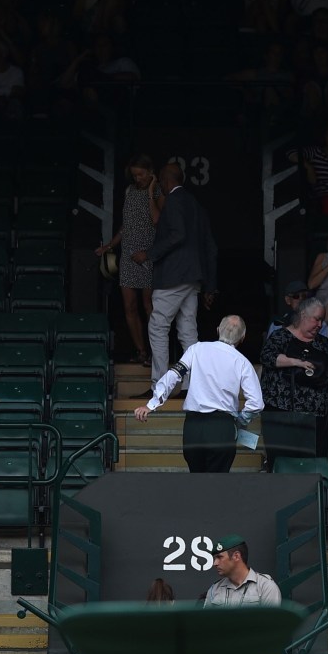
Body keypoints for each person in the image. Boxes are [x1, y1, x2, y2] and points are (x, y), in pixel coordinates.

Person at [134, 314, 263, 474]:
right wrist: (241, 421)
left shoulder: (196, 349)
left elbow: (174, 374)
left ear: (217, 330)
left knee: (196, 480)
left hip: (193, 427)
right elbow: (256, 403)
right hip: (222, 427)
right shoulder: (242, 362)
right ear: (242, 337)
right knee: (217, 484)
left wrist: (151, 404)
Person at [146, 160, 218, 381]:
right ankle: (191, 385)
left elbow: (177, 235)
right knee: (188, 331)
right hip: (193, 278)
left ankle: (160, 384)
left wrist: (149, 254)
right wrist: (210, 285)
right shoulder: (196, 204)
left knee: (158, 327)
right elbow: (210, 247)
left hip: (173, 276)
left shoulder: (174, 200)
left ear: (166, 181)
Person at [260, 295, 328, 461]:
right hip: (282, 416)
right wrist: (295, 362)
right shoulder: (280, 337)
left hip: (316, 419)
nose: (320, 325)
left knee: (313, 464)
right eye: (316, 320)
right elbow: (267, 357)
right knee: (282, 462)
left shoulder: (324, 344)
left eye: (322, 321)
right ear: (303, 315)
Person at [97, 157, 159, 362]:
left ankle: (155, 352)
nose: (137, 178)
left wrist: (150, 192)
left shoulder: (158, 191)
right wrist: (110, 245)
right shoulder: (129, 191)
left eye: (141, 174)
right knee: (130, 307)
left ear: (151, 172)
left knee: (149, 306)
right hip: (128, 255)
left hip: (148, 254)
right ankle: (141, 351)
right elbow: (127, 225)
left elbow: (159, 221)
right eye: (134, 175)